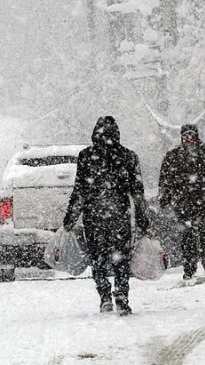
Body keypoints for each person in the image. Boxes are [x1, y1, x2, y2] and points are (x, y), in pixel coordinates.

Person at [63, 116, 149, 316]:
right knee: (121, 259)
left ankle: (104, 297)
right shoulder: (128, 156)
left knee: (98, 258)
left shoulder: (86, 157)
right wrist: (143, 219)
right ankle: (121, 295)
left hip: (94, 217)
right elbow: (137, 192)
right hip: (119, 216)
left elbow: (80, 191)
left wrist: (70, 218)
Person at [158, 124, 205, 280]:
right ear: (181, 137)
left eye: (192, 135)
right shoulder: (173, 156)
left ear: (197, 137)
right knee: (187, 237)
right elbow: (165, 180)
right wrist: (164, 199)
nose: (189, 139)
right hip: (183, 203)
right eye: (186, 136)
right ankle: (189, 268)